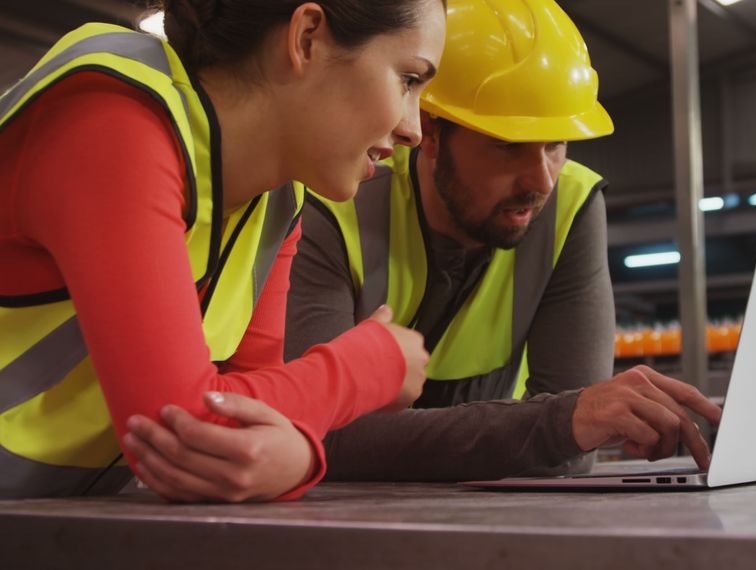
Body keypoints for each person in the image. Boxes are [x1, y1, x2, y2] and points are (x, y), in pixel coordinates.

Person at [0, 0, 445, 502]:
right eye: (408, 79)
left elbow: (243, 435)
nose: (414, 129)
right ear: (307, 39)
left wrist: (298, 458)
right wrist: (367, 368)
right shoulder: (113, 116)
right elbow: (184, 421)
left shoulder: (278, 201)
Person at [284, 0, 722, 482]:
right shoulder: (333, 205)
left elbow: (578, 449)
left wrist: (562, 429)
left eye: (555, 144)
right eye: (508, 145)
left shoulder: (570, 209)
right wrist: (554, 424)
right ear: (430, 132)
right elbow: (313, 435)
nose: (542, 180)